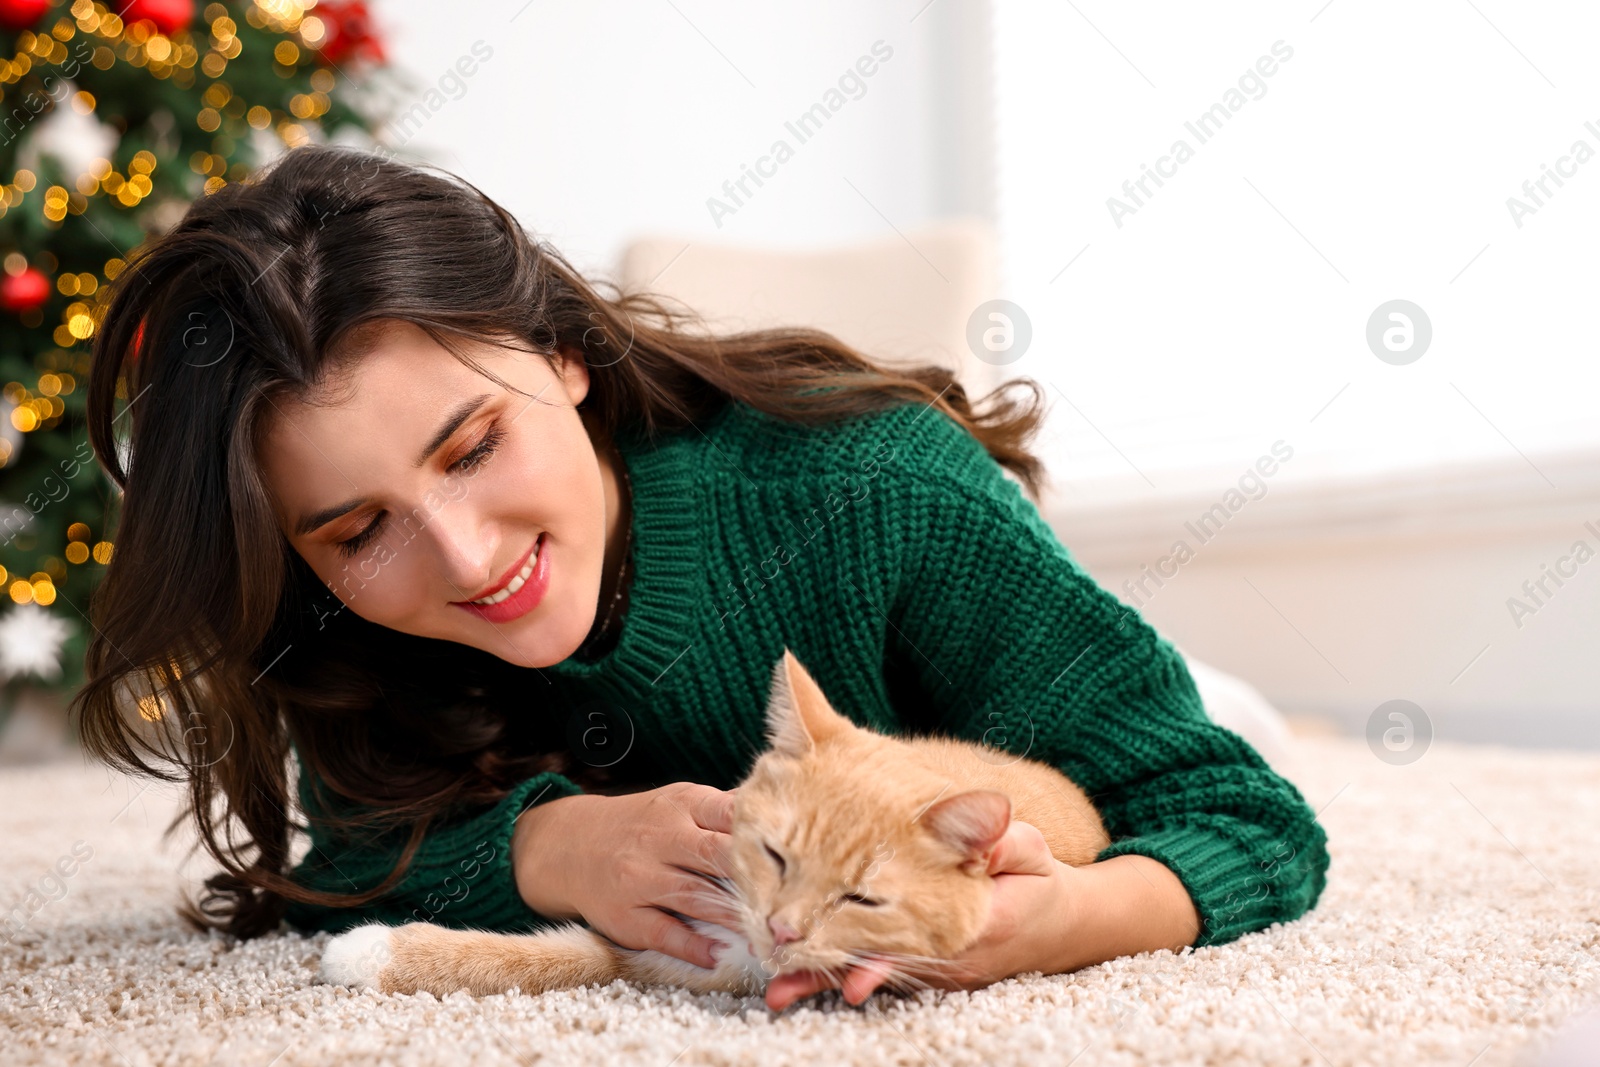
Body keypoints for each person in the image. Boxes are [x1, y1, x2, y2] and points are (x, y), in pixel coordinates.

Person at [73, 144, 1327, 1011]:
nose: (466, 557)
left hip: (987, 703)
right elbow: (348, 853)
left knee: (1206, 714)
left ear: (562, 352)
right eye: (358, 530)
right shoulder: (342, 613)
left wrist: (1048, 926)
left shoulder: (874, 487)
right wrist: (551, 847)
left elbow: (1244, 816)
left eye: (474, 446)